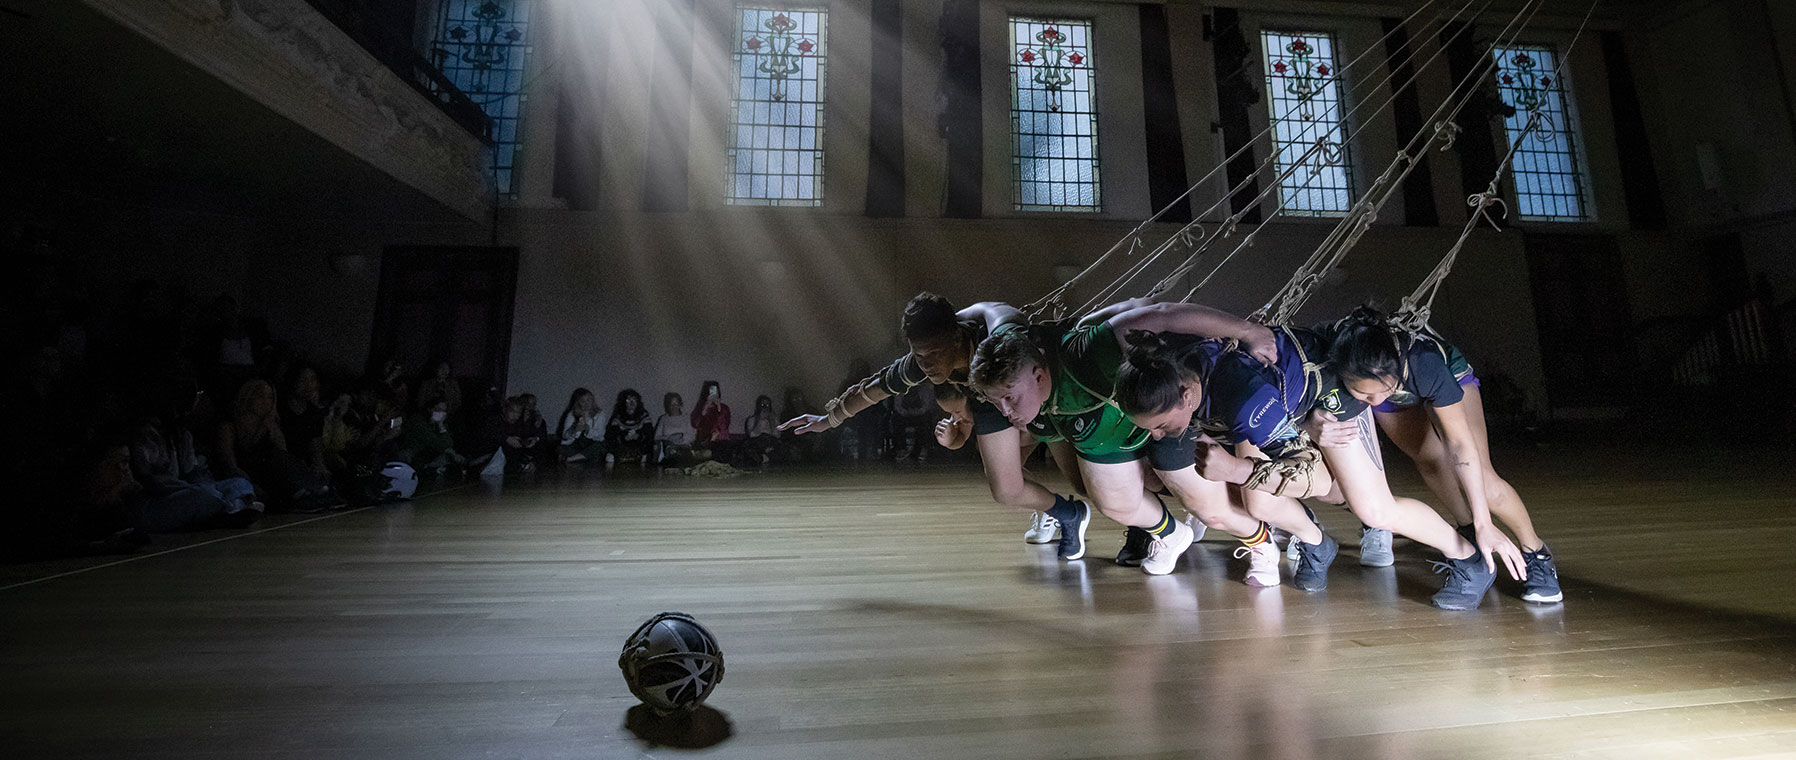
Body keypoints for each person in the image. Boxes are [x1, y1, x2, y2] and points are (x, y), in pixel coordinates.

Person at [970, 300, 1307, 579]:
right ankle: (1172, 535)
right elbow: (996, 310)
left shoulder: (1087, 353)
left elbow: (1161, 313)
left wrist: (1248, 331)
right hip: (1110, 435)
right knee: (1109, 500)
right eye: (994, 401)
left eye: (1010, 399)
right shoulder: (1006, 352)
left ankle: (1263, 542)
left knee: (1210, 509)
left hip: (1165, 416)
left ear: (1039, 374)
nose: (1004, 411)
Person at [780, 293, 1098, 563]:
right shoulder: (919, 365)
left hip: (1031, 393)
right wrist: (828, 420)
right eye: (919, 355)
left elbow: (1001, 312)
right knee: (1006, 490)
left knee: (1086, 484)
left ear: (957, 337)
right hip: (989, 402)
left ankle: (1112, 520)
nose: (927, 363)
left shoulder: (996, 341)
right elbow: (873, 389)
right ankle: (1068, 514)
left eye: (933, 353)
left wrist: (988, 316)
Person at [1323, 306, 1561, 604]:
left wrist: (1485, 522)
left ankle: (1535, 551)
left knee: (1484, 482)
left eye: (1380, 391)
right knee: (1431, 461)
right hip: (1394, 388)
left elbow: (1461, 445)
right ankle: (1468, 534)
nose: (1374, 400)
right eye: (1364, 395)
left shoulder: (1425, 363)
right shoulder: (1339, 360)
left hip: (1446, 375)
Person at [605, 389, 655, 465]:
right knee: (609, 458)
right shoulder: (617, 417)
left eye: (634, 400)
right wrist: (624, 438)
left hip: (639, 448)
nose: (632, 403)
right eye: (628, 400)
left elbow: (649, 435)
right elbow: (611, 436)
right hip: (622, 448)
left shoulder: (644, 416)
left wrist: (638, 436)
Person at [557, 388, 606, 463]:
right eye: (583, 401)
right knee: (561, 449)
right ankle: (582, 457)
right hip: (576, 444)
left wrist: (587, 429)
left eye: (589, 400)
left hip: (592, 443)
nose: (587, 404)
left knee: (599, 447)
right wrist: (574, 429)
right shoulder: (571, 414)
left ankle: (572, 458)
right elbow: (565, 436)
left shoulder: (600, 414)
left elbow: (600, 435)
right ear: (578, 402)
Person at [691, 381, 732, 461]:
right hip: (705, 443)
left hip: (721, 443)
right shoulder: (700, 408)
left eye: (715, 392)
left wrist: (719, 409)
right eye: (711, 392)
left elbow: (725, 426)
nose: (713, 394)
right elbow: (695, 424)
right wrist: (704, 409)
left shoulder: (724, 408)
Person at [655, 392, 696, 465]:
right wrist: (669, 438)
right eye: (671, 404)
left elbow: (692, 436)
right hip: (669, 449)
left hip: (684, 448)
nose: (674, 407)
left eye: (676, 404)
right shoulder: (663, 419)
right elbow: (656, 437)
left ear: (680, 405)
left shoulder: (687, 418)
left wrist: (681, 438)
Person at [741, 395, 780, 465]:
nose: (765, 407)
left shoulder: (774, 420)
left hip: (771, 442)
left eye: (767, 405)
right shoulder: (752, 419)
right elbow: (751, 435)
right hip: (757, 443)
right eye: (762, 405)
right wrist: (759, 420)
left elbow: (777, 435)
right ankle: (762, 458)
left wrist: (772, 423)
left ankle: (766, 457)